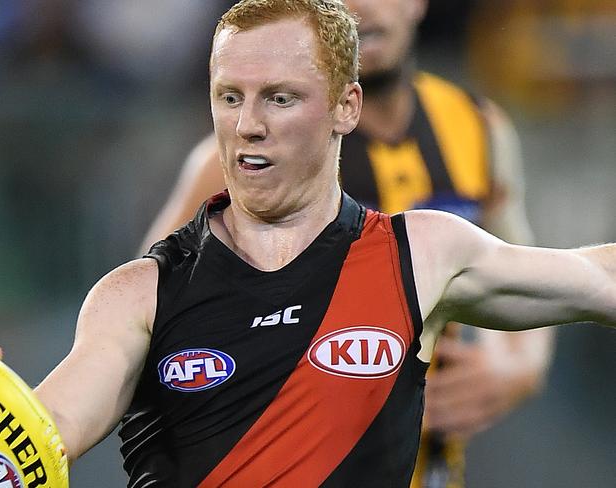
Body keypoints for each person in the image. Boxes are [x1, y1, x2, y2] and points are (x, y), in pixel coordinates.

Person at [0, 1, 615, 487]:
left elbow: (596, 275)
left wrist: (517, 366)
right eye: (229, 98)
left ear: (346, 107)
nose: (248, 126)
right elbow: (47, 428)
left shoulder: (421, 252)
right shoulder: (138, 294)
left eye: (279, 99)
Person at [139, 1, 554, 486]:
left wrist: (517, 368)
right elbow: (147, 316)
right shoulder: (246, 155)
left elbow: (522, 260)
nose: (359, 7)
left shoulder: (477, 128)